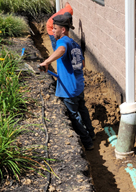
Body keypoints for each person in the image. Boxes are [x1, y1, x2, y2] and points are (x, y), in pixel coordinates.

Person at [39, 13, 96, 150]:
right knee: (82, 109)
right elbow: (81, 64)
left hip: (69, 90)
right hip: (78, 85)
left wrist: (46, 62)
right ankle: (92, 134)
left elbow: (61, 49)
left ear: (63, 30)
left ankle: (87, 143)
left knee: (75, 117)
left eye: (55, 29)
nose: (52, 31)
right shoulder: (75, 44)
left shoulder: (62, 42)